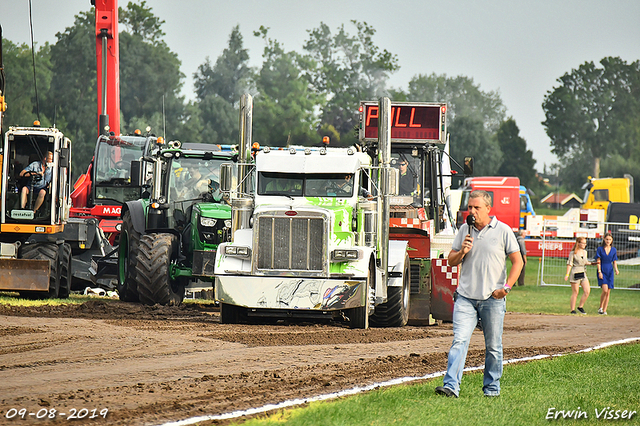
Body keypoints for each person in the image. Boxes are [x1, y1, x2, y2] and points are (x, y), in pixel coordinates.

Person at [435, 190, 523, 398]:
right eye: (470, 207)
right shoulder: (465, 229)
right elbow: (451, 260)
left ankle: (492, 389)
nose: (472, 211)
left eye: (477, 208)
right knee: (460, 340)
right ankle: (451, 387)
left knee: (493, 346)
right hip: (465, 297)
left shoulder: (503, 230)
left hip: (492, 298)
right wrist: (463, 251)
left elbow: (517, 261)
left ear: (488, 209)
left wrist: (507, 288)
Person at [564, 237, 592, 314]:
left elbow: (585, 262)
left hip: (583, 272)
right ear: (578, 243)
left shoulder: (585, 252)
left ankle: (580, 306)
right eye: (582, 243)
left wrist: (594, 263)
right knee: (575, 292)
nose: (584, 245)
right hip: (575, 272)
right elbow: (569, 263)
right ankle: (572, 309)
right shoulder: (573, 253)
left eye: (585, 243)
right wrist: (567, 274)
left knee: (587, 291)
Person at [595, 232, 619, 315]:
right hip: (602, 269)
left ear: (612, 240)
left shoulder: (614, 250)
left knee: (608, 291)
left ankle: (604, 310)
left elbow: (614, 261)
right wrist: (599, 271)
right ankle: (600, 307)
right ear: (604, 240)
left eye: (609, 239)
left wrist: (616, 269)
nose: (608, 241)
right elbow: (598, 260)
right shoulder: (600, 249)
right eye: (607, 239)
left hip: (610, 270)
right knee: (604, 290)